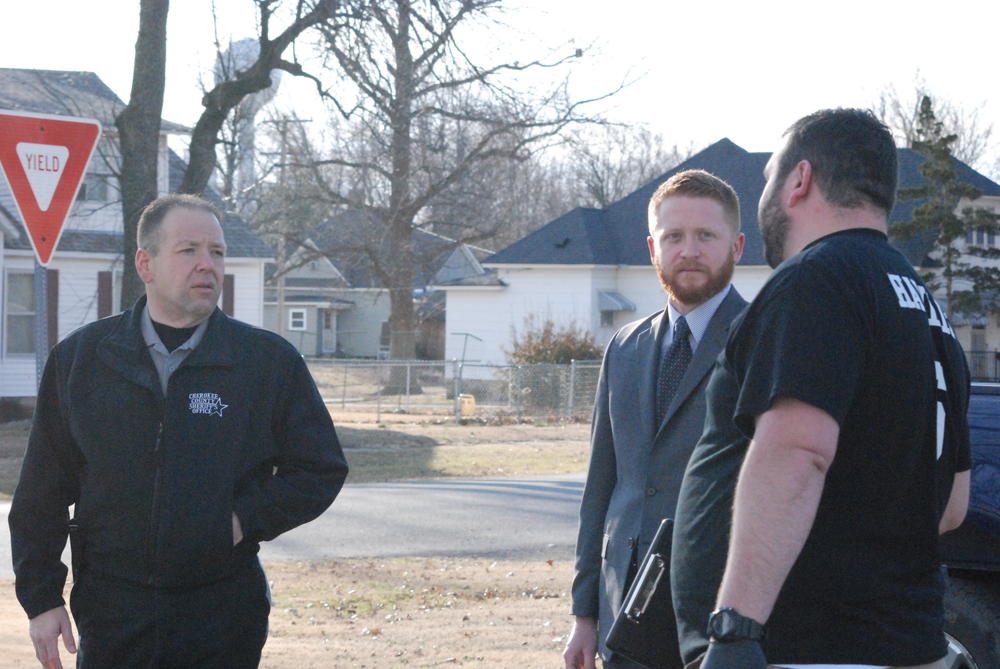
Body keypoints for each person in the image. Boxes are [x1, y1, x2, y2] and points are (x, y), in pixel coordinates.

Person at [670, 109, 971, 669]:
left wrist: (736, 629)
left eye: (768, 179)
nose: (763, 197)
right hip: (900, 639)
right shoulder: (927, 308)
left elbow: (798, 449)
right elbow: (950, 504)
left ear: (799, 179)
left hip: (804, 648)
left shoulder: (815, 280)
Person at [9, 193, 349, 669]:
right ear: (145, 264)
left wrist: (239, 521)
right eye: (189, 250)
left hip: (222, 614)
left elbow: (319, 469)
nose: (207, 265)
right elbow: (41, 492)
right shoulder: (83, 361)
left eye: (217, 252)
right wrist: (42, 597)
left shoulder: (265, 363)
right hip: (112, 614)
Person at [563, 169, 748, 669]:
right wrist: (585, 613)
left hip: (719, 615)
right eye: (674, 237)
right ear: (652, 248)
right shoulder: (624, 347)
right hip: (624, 612)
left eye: (706, 235)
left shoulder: (763, 340)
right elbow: (601, 487)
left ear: (737, 246)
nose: (689, 250)